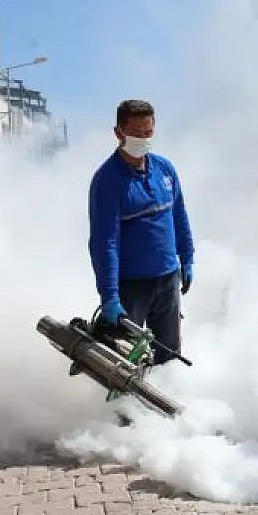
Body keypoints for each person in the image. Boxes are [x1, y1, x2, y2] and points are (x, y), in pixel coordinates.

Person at [88, 99, 194, 366]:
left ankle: (165, 401)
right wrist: (109, 296)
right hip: (132, 286)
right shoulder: (108, 180)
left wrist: (188, 258)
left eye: (148, 133)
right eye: (136, 133)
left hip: (168, 279)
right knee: (125, 361)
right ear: (119, 133)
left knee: (167, 355)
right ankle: (125, 409)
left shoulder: (165, 169)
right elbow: (105, 243)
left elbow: (179, 216)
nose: (143, 139)